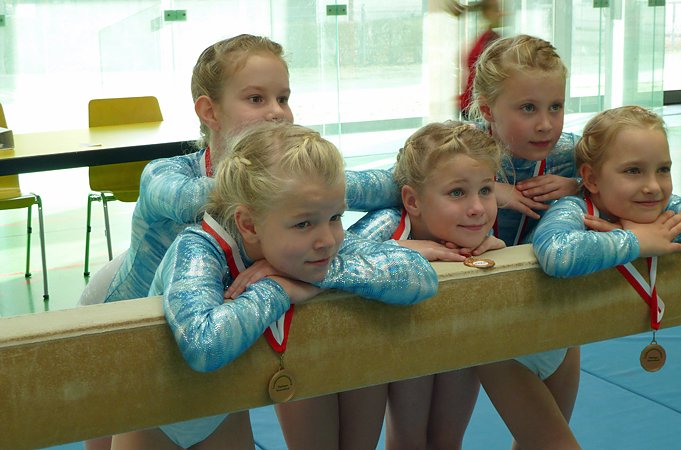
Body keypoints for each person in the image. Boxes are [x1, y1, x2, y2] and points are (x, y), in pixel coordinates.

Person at [80, 34, 401, 449]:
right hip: (120, 310)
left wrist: (480, 184)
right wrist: (292, 183)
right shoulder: (166, 175)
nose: (277, 114)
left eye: (283, 98)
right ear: (208, 110)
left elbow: (379, 186)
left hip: (210, 311)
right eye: (256, 99)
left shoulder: (281, 184)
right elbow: (221, 196)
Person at [110, 121, 439, 450]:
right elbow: (204, 345)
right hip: (154, 417)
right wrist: (278, 290)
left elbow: (419, 277)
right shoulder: (198, 248)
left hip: (222, 413)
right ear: (248, 224)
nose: (327, 239)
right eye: (304, 223)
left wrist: (320, 275)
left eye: (336, 217)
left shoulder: (313, 243)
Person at [349, 121, 505, 449]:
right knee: (408, 440)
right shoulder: (388, 225)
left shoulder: (471, 230)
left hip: (456, 330)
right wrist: (398, 249)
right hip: (400, 334)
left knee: (448, 440)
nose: (477, 208)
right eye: (457, 192)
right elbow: (334, 256)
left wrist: (500, 251)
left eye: (486, 190)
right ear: (413, 201)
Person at [467, 34, 584, 449]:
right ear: (487, 111)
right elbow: (404, 177)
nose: (545, 123)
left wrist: (578, 185)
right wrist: (480, 188)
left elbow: (629, 177)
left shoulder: (570, 155)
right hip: (488, 326)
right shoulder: (461, 154)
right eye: (528, 108)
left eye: (556, 106)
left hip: (554, 321)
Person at [533, 105, 681, 278]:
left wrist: (658, 233)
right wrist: (635, 241)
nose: (653, 187)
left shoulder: (663, 208)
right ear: (592, 179)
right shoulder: (574, 208)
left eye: (663, 169)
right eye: (634, 171)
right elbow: (556, 254)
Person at [445, 0, 504, 119]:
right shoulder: (491, 41)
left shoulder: (485, 39)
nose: (502, 14)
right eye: (497, 10)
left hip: (472, 104)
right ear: (487, 14)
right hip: (476, 107)